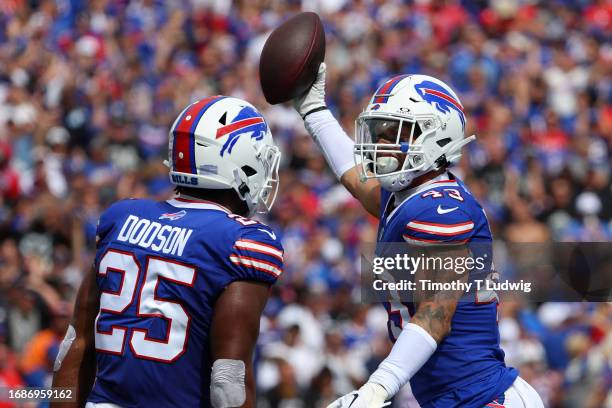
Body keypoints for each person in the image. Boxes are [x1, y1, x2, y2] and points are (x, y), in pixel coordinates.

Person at [293, 65, 545, 407]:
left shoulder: (441, 209)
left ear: (436, 138)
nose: (381, 142)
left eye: (396, 132)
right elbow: (355, 179)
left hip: (482, 397)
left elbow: (435, 315)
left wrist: (376, 389)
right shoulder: (409, 195)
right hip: (454, 397)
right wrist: (314, 111)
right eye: (380, 131)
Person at [51, 96, 283, 407]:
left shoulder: (122, 218)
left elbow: (76, 343)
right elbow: (228, 379)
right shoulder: (242, 240)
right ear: (240, 162)